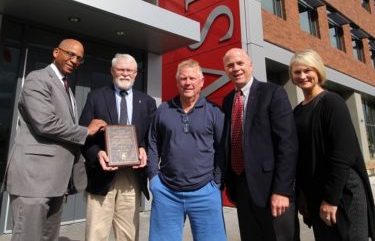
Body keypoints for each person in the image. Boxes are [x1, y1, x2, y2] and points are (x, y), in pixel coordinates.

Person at [5, 39, 106, 241]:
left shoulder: (66, 87)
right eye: (70, 54)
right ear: (55, 52)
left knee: (48, 237)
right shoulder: (38, 79)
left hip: (55, 182)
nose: (74, 60)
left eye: (79, 58)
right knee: (28, 236)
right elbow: (45, 123)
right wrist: (85, 131)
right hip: (34, 180)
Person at [289, 49, 375, 241]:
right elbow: (302, 158)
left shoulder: (332, 102)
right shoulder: (297, 111)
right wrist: (302, 194)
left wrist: (331, 199)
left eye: (307, 70)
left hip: (343, 193)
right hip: (315, 195)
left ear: (318, 71)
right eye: (297, 72)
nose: (302, 76)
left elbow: (343, 155)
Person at [222, 48, 298, 241]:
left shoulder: (273, 93)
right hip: (241, 188)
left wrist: (282, 190)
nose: (236, 68)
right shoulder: (228, 100)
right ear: (225, 70)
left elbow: (287, 145)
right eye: (230, 65)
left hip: (272, 189)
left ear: (250, 65)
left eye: (240, 63)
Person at [79, 53, 156, 241]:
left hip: (131, 176)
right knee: (96, 234)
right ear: (112, 71)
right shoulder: (96, 97)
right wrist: (97, 154)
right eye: (120, 69)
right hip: (101, 173)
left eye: (129, 70)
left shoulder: (147, 102)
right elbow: (83, 134)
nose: (125, 73)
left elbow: (151, 137)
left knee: (128, 234)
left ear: (136, 74)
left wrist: (144, 149)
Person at [147, 59, 226, 241]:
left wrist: (216, 182)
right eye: (183, 78)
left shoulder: (214, 111)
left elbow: (222, 149)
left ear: (201, 81)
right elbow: (152, 144)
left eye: (192, 78)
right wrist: (153, 178)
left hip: (205, 191)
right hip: (167, 192)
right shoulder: (163, 110)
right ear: (177, 82)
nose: (188, 82)